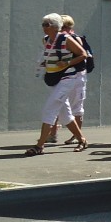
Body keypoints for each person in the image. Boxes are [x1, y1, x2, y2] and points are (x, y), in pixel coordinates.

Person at [27, 13, 88, 156]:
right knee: (65, 114)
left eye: (46, 24)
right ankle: (82, 140)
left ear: (55, 26)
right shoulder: (46, 39)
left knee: (50, 109)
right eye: (43, 24)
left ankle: (39, 145)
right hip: (54, 79)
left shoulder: (66, 39)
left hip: (67, 78)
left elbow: (83, 54)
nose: (43, 27)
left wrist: (67, 63)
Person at [47, 15, 89, 144]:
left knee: (76, 106)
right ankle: (53, 134)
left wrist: (66, 63)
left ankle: (77, 136)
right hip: (64, 76)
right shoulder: (57, 39)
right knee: (58, 103)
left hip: (76, 75)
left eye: (62, 26)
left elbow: (82, 55)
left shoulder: (73, 39)